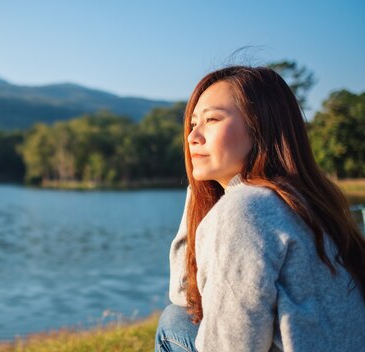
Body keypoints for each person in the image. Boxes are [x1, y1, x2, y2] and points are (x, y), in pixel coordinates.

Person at [155, 66, 365, 352]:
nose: (193, 137)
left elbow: (232, 346)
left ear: (260, 128)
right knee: (178, 318)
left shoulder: (245, 209)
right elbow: (187, 297)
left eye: (212, 119)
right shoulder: (304, 198)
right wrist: (201, 192)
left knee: (171, 325)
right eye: (192, 124)